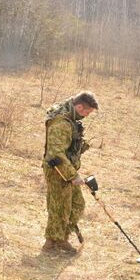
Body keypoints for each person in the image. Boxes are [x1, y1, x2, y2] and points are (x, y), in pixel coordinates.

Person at [42, 91, 99, 254]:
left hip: (67, 168)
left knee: (77, 204)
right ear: (79, 106)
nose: (87, 116)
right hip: (57, 170)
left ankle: (60, 237)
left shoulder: (71, 114)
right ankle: (51, 243)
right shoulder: (61, 123)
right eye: (86, 112)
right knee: (59, 207)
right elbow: (55, 154)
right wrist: (72, 176)